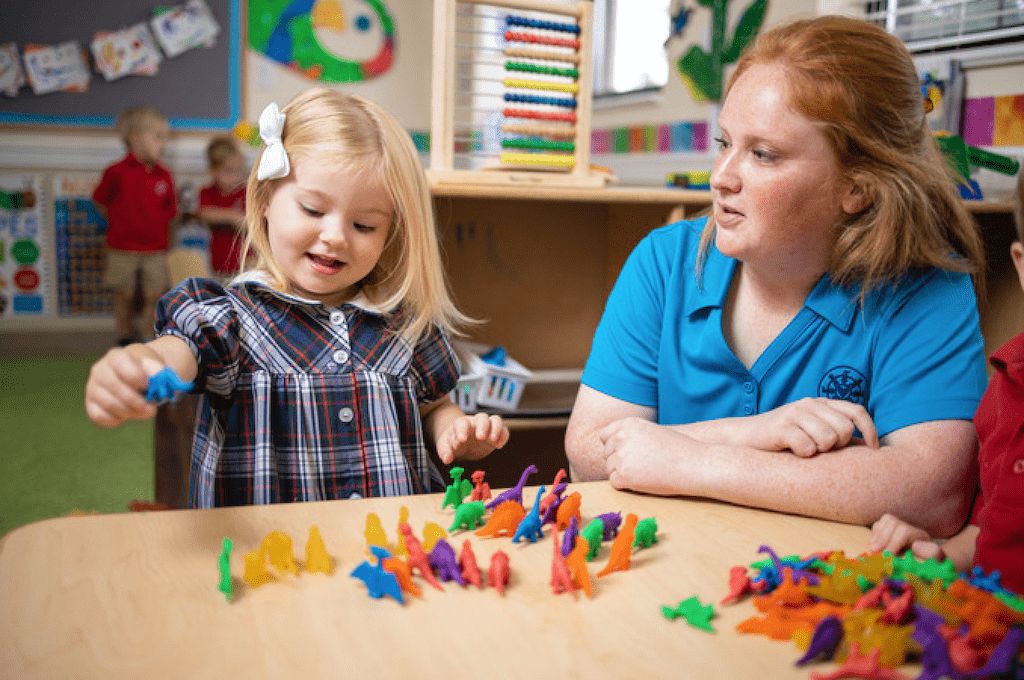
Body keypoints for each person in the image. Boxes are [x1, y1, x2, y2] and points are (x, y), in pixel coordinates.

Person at [565, 15, 987, 537]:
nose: (721, 177)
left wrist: (694, 462)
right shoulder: (664, 263)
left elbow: (932, 491)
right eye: (724, 144)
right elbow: (589, 453)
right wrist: (751, 434)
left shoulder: (925, 287)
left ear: (855, 189)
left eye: (763, 155)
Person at [84, 88, 509, 507]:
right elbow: (177, 352)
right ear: (266, 199)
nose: (336, 237)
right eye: (312, 209)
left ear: (391, 232)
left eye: (364, 226)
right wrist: (140, 367)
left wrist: (455, 430)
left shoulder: (405, 323)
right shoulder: (230, 316)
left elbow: (435, 406)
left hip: (392, 551)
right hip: (272, 561)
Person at [870, 169, 1024, 594]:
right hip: (982, 623)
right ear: (1021, 266)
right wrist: (941, 555)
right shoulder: (1006, 388)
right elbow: (990, 531)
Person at [92, 106, 177, 346]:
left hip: (155, 249)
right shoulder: (116, 172)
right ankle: (124, 335)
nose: (164, 144)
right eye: (158, 137)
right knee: (124, 293)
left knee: (155, 293)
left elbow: (170, 211)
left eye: (165, 138)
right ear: (135, 138)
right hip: (122, 247)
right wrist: (121, 222)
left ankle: (150, 335)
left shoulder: (164, 174)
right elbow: (100, 202)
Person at [198, 136, 247, 278]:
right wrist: (233, 217)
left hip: (247, 265)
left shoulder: (245, 192)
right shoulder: (207, 192)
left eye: (239, 171)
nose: (236, 177)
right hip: (220, 265)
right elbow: (205, 214)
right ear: (213, 171)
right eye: (229, 171)